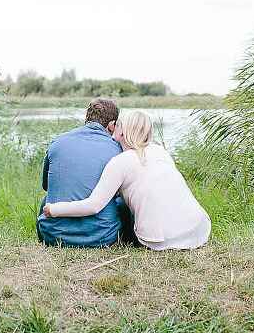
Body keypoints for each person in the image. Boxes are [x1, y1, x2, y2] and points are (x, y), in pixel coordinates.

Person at [44, 110, 211, 250]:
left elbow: (93, 206)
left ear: (122, 131)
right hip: (198, 229)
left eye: (119, 124)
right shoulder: (161, 151)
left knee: (117, 204)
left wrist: (53, 209)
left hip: (160, 240)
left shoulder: (120, 162)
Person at [36, 98, 134, 247]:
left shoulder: (58, 142)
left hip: (52, 236)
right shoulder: (117, 149)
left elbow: (46, 186)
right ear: (112, 125)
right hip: (101, 237)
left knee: (47, 199)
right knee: (123, 200)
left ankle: (53, 229)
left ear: (87, 118)